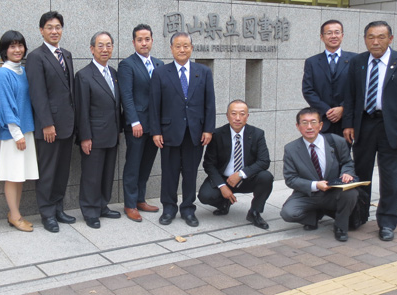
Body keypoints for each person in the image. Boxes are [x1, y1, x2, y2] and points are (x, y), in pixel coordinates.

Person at [343, 21, 397, 242]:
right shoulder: (357, 62)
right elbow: (350, 96)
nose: (375, 42)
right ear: (365, 38)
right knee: (361, 175)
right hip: (363, 125)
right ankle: (358, 216)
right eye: (370, 37)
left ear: (391, 38)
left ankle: (387, 222)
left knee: (390, 177)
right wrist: (348, 124)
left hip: (393, 128)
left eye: (380, 37)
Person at [150, 31, 216, 227]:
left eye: (186, 45)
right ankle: (169, 208)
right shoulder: (161, 72)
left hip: (195, 133)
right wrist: (155, 131)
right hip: (169, 133)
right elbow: (155, 105)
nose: (182, 49)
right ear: (171, 49)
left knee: (190, 173)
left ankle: (188, 209)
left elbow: (209, 103)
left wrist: (208, 129)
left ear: (191, 48)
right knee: (169, 173)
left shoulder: (203, 72)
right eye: (178, 46)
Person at [25, 11, 76, 233]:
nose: (54, 31)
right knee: (48, 171)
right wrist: (46, 123)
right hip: (49, 127)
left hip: (68, 124)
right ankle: (47, 214)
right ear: (41, 30)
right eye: (49, 27)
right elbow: (37, 93)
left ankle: (58, 208)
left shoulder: (67, 54)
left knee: (62, 170)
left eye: (58, 27)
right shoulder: (36, 57)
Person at [281, 107, 358, 242]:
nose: (309, 127)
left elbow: (347, 162)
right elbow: (290, 179)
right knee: (288, 213)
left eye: (313, 122)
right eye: (304, 123)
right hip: (308, 193)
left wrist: (347, 173)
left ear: (321, 125)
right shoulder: (291, 149)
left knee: (351, 193)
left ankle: (340, 227)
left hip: (333, 191)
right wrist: (315, 185)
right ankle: (313, 217)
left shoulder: (336, 141)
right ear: (298, 126)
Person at [198, 100, 273, 229]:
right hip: (224, 179)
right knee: (205, 195)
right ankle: (223, 203)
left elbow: (264, 161)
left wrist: (241, 174)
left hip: (247, 178)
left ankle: (254, 212)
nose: (237, 118)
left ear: (247, 116)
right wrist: (222, 186)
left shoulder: (257, 134)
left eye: (242, 114)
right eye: (233, 113)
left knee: (266, 177)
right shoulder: (217, 135)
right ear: (227, 116)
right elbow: (208, 164)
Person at [0, 30, 39, 233]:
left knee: (19, 176)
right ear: (4, 50)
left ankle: (14, 213)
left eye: (20, 45)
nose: (17, 49)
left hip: (26, 131)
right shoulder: (3, 73)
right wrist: (17, 134)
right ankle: (15, 216)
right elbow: (4, 106)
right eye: (12, 46)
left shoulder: (23, 70)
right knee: (12, 176)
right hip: (13, 134)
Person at [75, 31, 121, 229]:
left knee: (107, 173)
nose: (105, 49)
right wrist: (85, 137)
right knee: (91, 175)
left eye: (108, 45)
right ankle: (90, 210)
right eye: (100, 45)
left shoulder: (113, 73)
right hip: (93, 135)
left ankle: (102, 205)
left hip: (112, 133)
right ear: (92, 49)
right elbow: (82, 109)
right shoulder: (84, 76)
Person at [118, 24, 164, 222]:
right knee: (133, 165)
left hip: (154, 127)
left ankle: (140, 199)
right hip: (136, 126)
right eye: (139, 40)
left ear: (152, 41)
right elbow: (126, 96)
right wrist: (134, 121)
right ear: (134, 42)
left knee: (146, 165)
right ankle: (129, 204)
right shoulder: (127, 65)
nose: (144, 43)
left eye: (147, 39)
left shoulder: (160, 64)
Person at [302, 20, 356, 137]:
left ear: (342, 35)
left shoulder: (355, 60)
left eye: (337, 32)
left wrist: (342, 108)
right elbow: (308, 90)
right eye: (329, 33)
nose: (333, 36)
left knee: (343, 155)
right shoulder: (312, 62)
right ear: (322, 37)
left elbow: (358, 89)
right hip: (322, 121)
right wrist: (327, 111)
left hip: (346, 122)